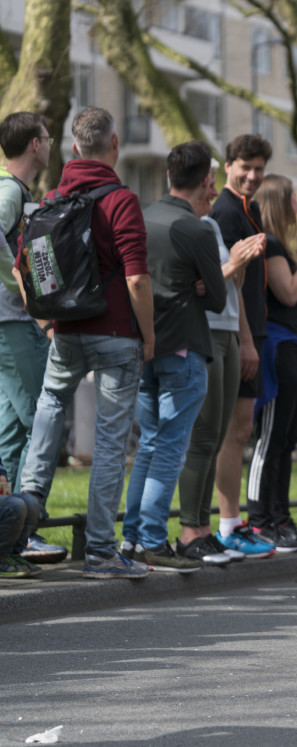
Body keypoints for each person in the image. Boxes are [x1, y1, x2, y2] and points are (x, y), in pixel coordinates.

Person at [14, 107, 153, 580]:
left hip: (66, 335)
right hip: (116, 336)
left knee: (49, 412)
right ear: (114, 146)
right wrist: (148, 336)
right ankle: (99, 553)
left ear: (74, 149)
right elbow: (136, 279)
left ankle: (22, 522)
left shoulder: (50, 200)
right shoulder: (121, 200)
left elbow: (24, 268)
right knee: (111, 442)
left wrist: (48, 322)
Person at [120, 141, 228, 572]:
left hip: (144, 346)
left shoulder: (141, 219)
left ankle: (131, 538)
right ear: (206, 181)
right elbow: (218, 297)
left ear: (168, 177)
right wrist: (200, 284)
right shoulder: (198, 230)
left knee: (147, 445)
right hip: (184, 348)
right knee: (170, 448)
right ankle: (150, 539)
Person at [176, 160, 272, 562]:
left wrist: (245, 338)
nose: (213, 191)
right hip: (206, 334)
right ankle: (192, 530)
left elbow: (228, 286)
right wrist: (234, 263)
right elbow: (202, 284)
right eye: (209, 183)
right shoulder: (193, 226)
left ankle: (205, 528)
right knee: (204, 436)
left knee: (218, 434)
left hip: (230, 333)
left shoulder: (211, 225)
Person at [246, 174, 297, 550]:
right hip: (277, 350)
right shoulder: (270, 244)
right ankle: (260, 520)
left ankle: (281, 517)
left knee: (287, 439)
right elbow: (290, 292)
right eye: (293, 197)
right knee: (271, 439)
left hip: (293, 347)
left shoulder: (283, 246)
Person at [0, 112, 65, 565]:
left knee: (10, 428)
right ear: (34, 145)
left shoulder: (17, 191)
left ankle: (9, 524)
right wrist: (18, 283)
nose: (50, 143)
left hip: (11, 324)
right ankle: (25, 532)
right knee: (40, 421)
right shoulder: (8, 190)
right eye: (47, 137)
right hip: (12, 324)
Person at [209, 134, 274, 555]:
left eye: (258, 169)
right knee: (231, 432)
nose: (252, 176)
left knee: (241, 429)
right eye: (244, 167)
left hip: (249, 335)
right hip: (237, 336)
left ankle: (233, 523)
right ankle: (228, 525)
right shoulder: (227, 213)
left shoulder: (246, 211)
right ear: (227, 165)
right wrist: (246, 340)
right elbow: (230, 282)